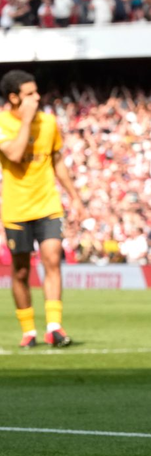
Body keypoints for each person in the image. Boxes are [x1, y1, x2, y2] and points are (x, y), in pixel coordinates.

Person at [0, 70, 83, 348]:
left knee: (52, 258)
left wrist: (74, 196)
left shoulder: (49, 123)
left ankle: (54, 328)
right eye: (30, 94)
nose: (37, 97)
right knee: (21, 271)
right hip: (17, 209)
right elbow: (14, 154)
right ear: (13, 98)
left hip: (48, 204)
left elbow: (57, 161)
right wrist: (25, 121)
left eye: (37, 92)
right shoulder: (1, 122)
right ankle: (28, 331)